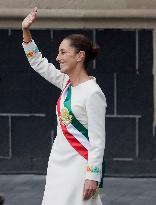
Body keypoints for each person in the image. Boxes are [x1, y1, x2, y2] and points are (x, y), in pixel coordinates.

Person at [22, 7, 107, 205]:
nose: (58, 57)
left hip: (79, 165)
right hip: (58, 163)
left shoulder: (93, 93)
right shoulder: (66, 83)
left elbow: (97, 139)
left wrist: (92, 176)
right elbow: (38, 62)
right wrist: (26, 32)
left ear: (80, 56)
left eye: (63, 52)